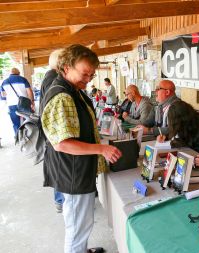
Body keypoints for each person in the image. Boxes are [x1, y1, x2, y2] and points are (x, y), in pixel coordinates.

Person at [40, 44, 122, 253]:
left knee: (80, 222)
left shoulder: (72, 89)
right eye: (84, 74)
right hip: (73, 172)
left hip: (75, 169)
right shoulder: (62, 96)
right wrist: (101, 149)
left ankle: (81, 250)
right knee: (78, 226)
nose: (88, 79)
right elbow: (62, 143)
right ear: (66, 67)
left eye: (91, 75)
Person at [40, 48, 66, 213]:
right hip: (57, 138)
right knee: (60, 168)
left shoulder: (49, 78)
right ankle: (61, 201)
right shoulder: (54, 80)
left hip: (53, 137)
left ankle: (60, 200)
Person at [0, 67, 35, 135]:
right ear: (18, 73)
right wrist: (32, 102)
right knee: (27, 121)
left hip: (11, 104)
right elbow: (29, 92)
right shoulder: (23, 79)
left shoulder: (4, 82)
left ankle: (18, 138)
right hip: (24, 103)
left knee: (16, 124)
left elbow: (3, 95)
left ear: (10, 73)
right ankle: (27, 137)